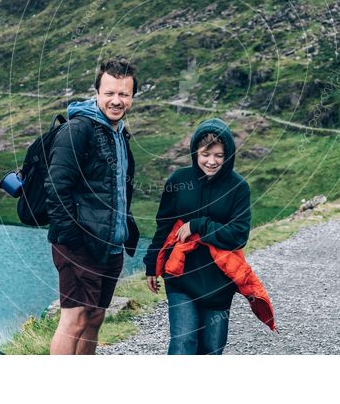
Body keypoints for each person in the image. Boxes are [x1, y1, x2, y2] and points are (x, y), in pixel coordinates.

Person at [44, 57, 140, 355]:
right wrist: (73, 238)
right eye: (110, 93)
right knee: (74, 319)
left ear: (132, 97)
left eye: (123, 94)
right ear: (96, 93)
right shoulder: (78, 129)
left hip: (110, 245)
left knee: (95, 317)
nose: (116, 100)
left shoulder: (118, 133)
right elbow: (56, 188)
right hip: (80, 243)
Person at [144, 118, 252, 354]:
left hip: (219, 281)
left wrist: (199, 225)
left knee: (212, 349)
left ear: (228, 155)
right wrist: (151, 264)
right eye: (205, 154)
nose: (211, 161)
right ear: (195, 152)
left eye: (219, 155)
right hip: (180, 275)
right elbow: (164, 226)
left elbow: (239, 235)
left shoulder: (239, 188)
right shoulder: (178, 181)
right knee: (184, 343)